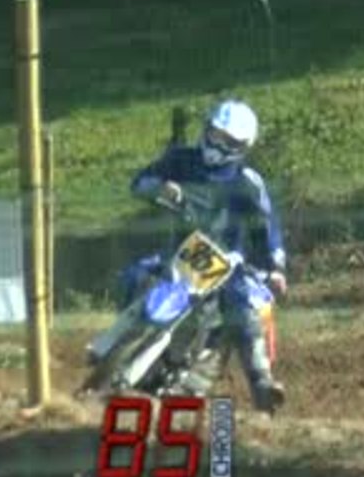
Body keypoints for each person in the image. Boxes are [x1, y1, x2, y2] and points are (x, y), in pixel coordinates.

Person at [120, 99, 288, 413]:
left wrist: (275, 266)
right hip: (178, 253)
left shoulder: (247, 183)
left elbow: (268, 229)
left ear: (242, 146)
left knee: (242, 305)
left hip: (226, 264)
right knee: (135, 278)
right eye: (213, 133)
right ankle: (114, 350)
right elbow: (138, 183)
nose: (216, 144)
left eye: (228, 141)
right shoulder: (180, 160)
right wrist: (160, 188)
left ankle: (262, 382)